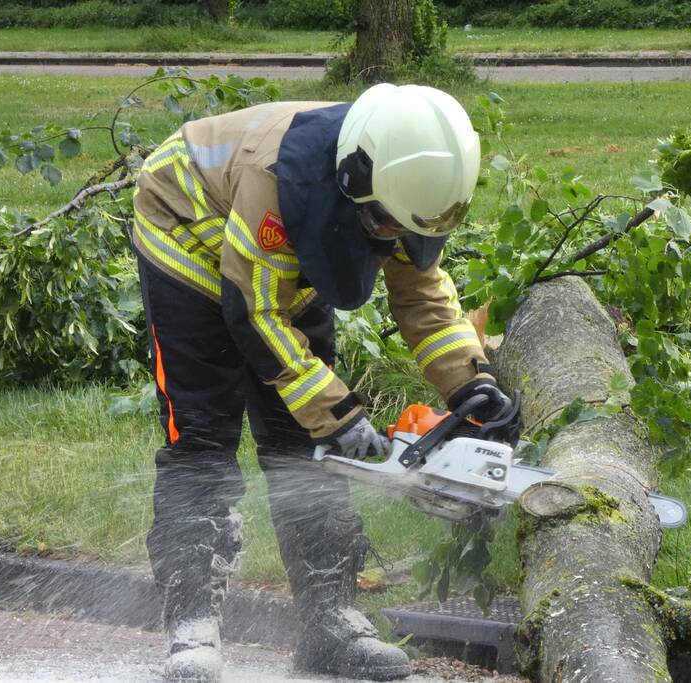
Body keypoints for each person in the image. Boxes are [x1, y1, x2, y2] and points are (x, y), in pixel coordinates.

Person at [131, 83, 513, 682]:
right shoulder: (279, 184)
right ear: (355, 179)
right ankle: (191, 627)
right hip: (188, 232)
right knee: (203, 434)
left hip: (279, 265)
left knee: (305, 449)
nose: (389, 237)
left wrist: (470, 384)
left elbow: (423, 293)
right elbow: (254, 314)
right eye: (382, 223)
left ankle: (329, 623)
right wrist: (337, 412)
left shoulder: (400, 183)